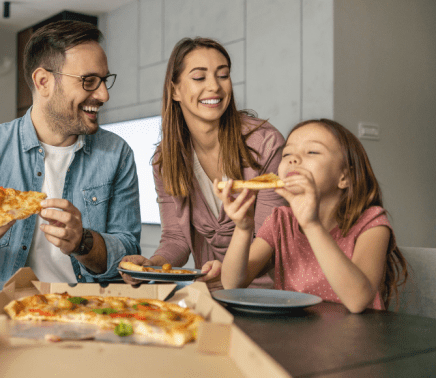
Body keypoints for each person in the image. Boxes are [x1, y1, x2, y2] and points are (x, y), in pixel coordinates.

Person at [0, 20, 141, 284]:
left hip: (85, 316)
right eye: (89, 81)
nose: (104, 94)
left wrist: (83, 242)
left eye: (105, 81)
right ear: (43, 82)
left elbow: (130, 255)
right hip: (0, 314)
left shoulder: (117, 154)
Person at [120, 38, 286, 289]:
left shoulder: (264, 144)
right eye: (199, 77)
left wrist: (230, 270)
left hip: (270, 294)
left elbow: (270, 238)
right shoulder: (166, 161)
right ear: (175, 90)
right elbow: (177, 239)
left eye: (223, 75)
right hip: (210, 294)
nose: (214, 87)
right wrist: (152, 265)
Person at [217, 119, 408, 312]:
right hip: (296, 335)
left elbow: (358, 300)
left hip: (357, 337)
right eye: (287, 153)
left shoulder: (371, 223)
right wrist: (243, 228)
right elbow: (233, 284)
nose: (293, 159)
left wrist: (311, 225)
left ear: (345, 177)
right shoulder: (281, 220)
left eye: (312, 152)